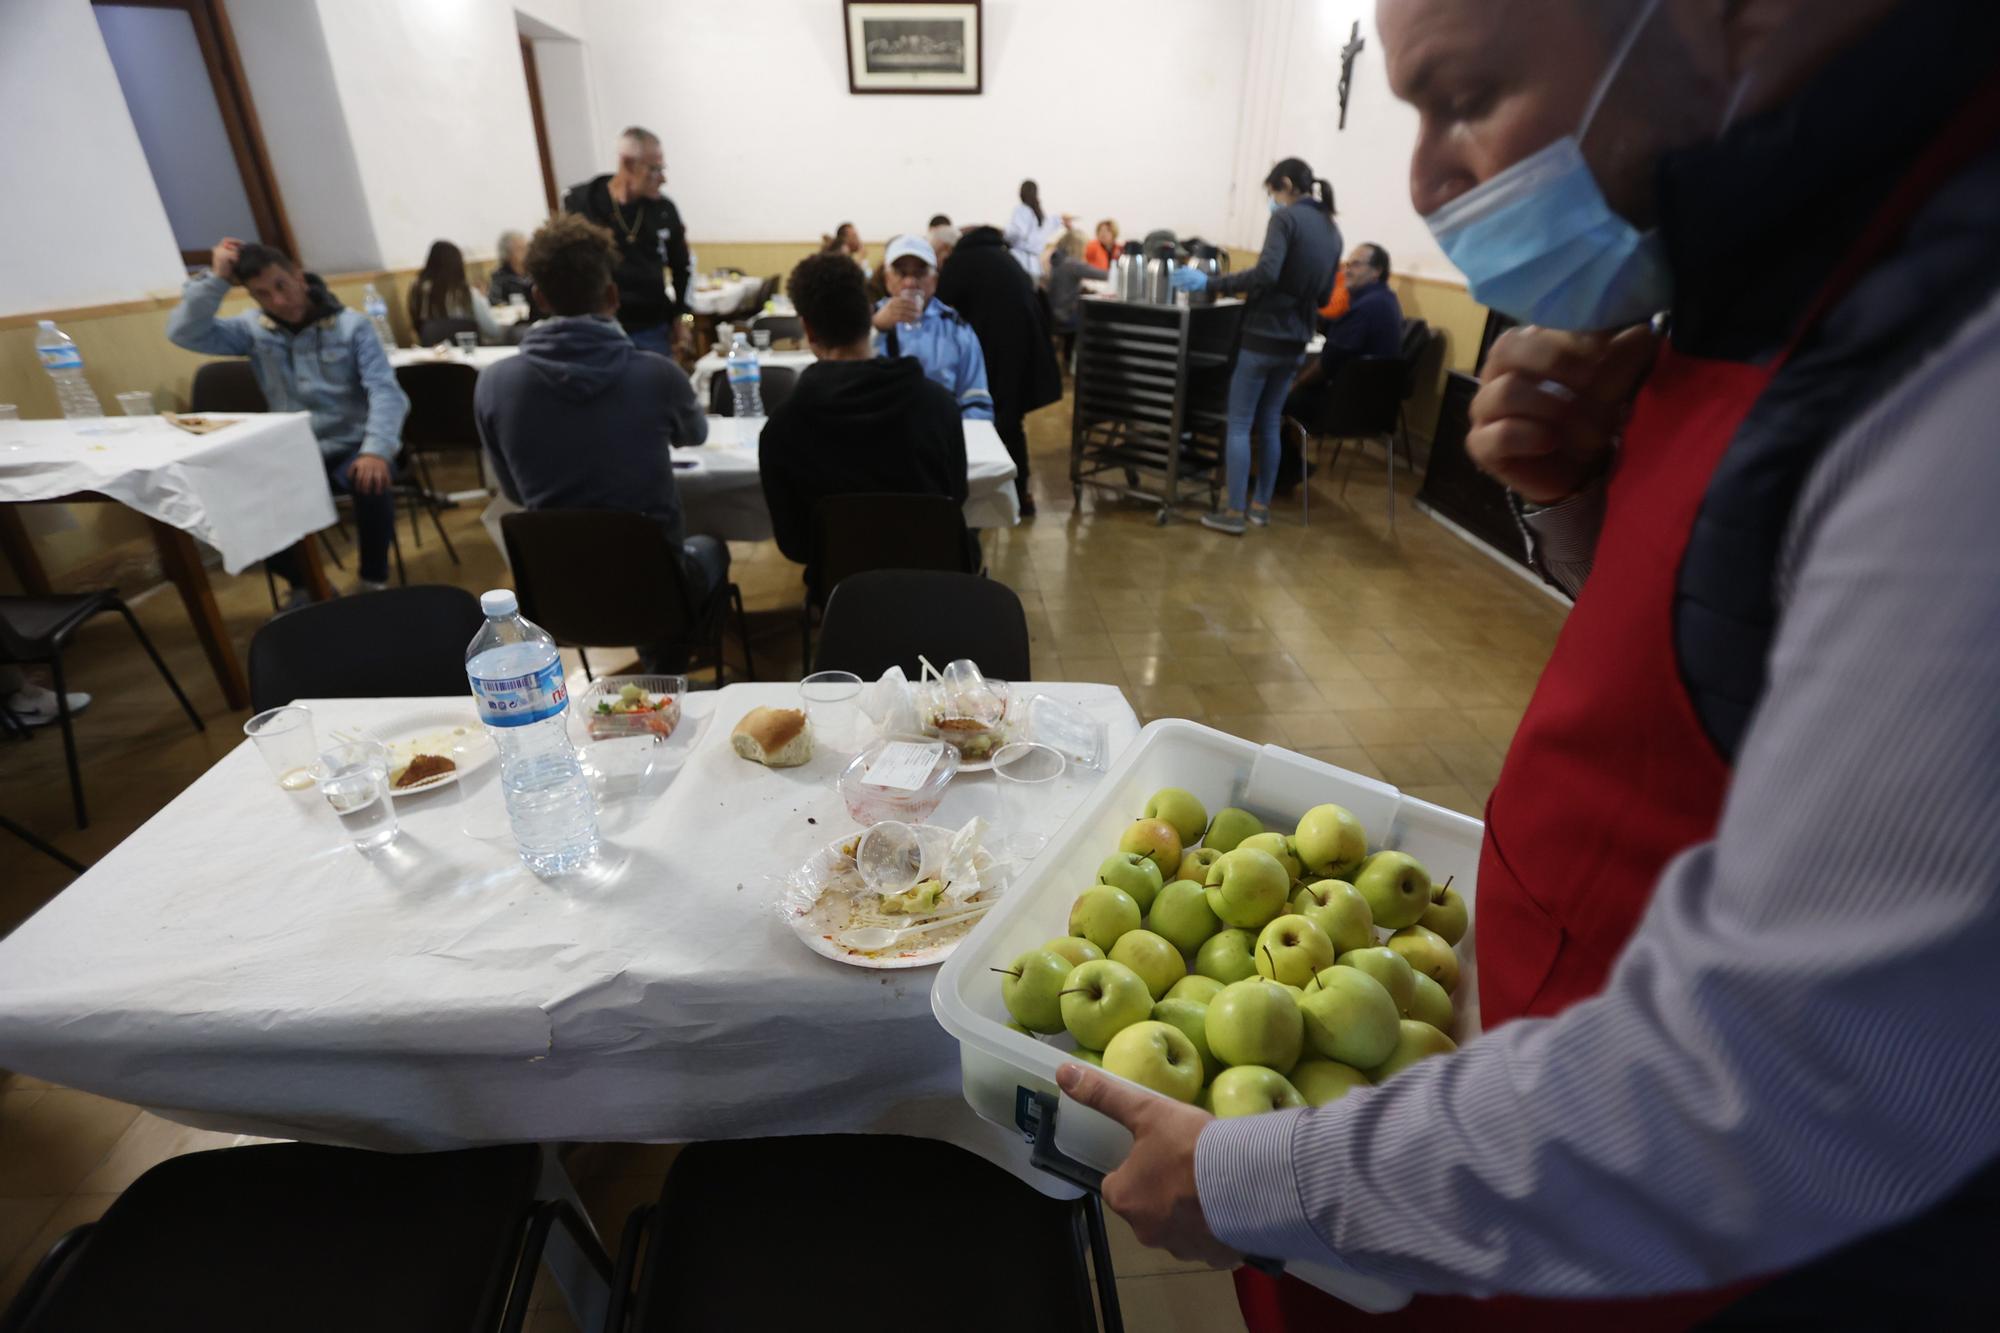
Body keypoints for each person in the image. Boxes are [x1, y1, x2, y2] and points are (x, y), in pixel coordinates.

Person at [1060, 3, 2000, 1331]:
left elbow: (1781, 1082)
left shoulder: (1955, 374)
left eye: (1467, 95)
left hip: (1659, 1244)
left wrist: (1269, 1176)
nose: (1431, 178)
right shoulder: (1763, 270)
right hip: (1524, 1110)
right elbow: (1749, 686)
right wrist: (1582, 511)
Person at [473, 215, 721, 672]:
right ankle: (666, 669)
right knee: (709, 549)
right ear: (612, 295)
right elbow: (697, 436)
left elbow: (513, 490)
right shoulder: (656, 374)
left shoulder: (494, 384)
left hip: (558, 593)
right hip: (655, 588)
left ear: (539, 297)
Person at [167, 238, 407, 597]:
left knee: (368, 481)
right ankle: (306, 583)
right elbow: (184, 332)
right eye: (262, 294)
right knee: (233, 497)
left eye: (281, 285)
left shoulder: (351, 327)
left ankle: (373, 579)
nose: (277, 301)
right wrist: (217, 279)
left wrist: (376, 450)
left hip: (352, 445)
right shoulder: (252, 329)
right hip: (294, 449)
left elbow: (385, 391)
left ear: (299, 277)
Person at [759, 252, 968, 587]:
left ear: (808, 330)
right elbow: (955, 499)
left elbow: (795, 545)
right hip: (932, 588)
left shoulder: (782, 429)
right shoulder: (937, 405)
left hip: (842, 595)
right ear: (868, 314)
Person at [1171, 157, 1341, 533]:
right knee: (1269, 423)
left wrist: (1210, 284)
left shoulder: (1286, 219)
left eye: (1272, 192)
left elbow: (1266, 273)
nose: (1272, 200)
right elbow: (1327, 293)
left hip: (1264, 334)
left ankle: (1233, 513)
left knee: (1239, 422)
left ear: (1284, 184)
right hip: (1297, 339)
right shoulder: (1332, 229)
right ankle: (1260, 507)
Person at [937, 224, 1065, 518]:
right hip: (1022, 350)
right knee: (1011, 422)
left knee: (987, 422)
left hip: (995, 351)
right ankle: (1022, 494)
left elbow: (941, 301)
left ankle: (985, 495)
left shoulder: (962, 261)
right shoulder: (1004, 256)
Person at [1277, 243, 1402, 494]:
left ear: (1376, 271)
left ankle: (1284, 470)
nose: (1347, 271)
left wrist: (1296, 383)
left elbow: (1328, 364)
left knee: (1277, 397)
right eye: (1347, 264)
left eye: (1356, 264)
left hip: (1342, 408)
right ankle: (1288, 466)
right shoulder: (1386, 301)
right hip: (1373, 408)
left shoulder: (1363, 309)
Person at [561, 126, 690, 357]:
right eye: (654, 169)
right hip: (599, 329)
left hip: (652, 328)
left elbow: (683, 268)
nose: (662, 178)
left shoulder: (663, 210)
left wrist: (684, 318)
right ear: (628, 164)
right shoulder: (583, 204)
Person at [870, 234, 994, 422]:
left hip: (941, 432)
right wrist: (877, 328)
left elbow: (976, 400)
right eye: (901, 273)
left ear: (934, 280)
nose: (910, 283)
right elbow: (845, 377)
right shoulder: (865, 323)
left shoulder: (955, 328)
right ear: (887, 279)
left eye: (919, 273)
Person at [407, 240, 502, 345]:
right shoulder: (467, 293)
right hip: (468, 348)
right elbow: (492, 330)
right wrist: (482, 298)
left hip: (432, 350)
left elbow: (416, 323)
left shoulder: (416, 288)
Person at [1043, 229, 1107, 360]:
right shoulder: (1072, 264)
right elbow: (1105, 275)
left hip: (1049, 315)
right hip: (1065, 317)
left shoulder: (1053, 260)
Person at [1003, 179, 1071, 280]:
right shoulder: (1038, 213)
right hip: (1035, 267)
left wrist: (1003, 236)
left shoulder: (1021, 210)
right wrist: (1060, 220)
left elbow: (1017, 232)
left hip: (1019, 263)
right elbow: (1047, 227)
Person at [487, 229, 534, 310]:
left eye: (526, 247)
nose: (526, 252)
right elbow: (495, 302)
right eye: (520, 249)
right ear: (507, 254)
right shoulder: (499, 277)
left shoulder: (534, 272)